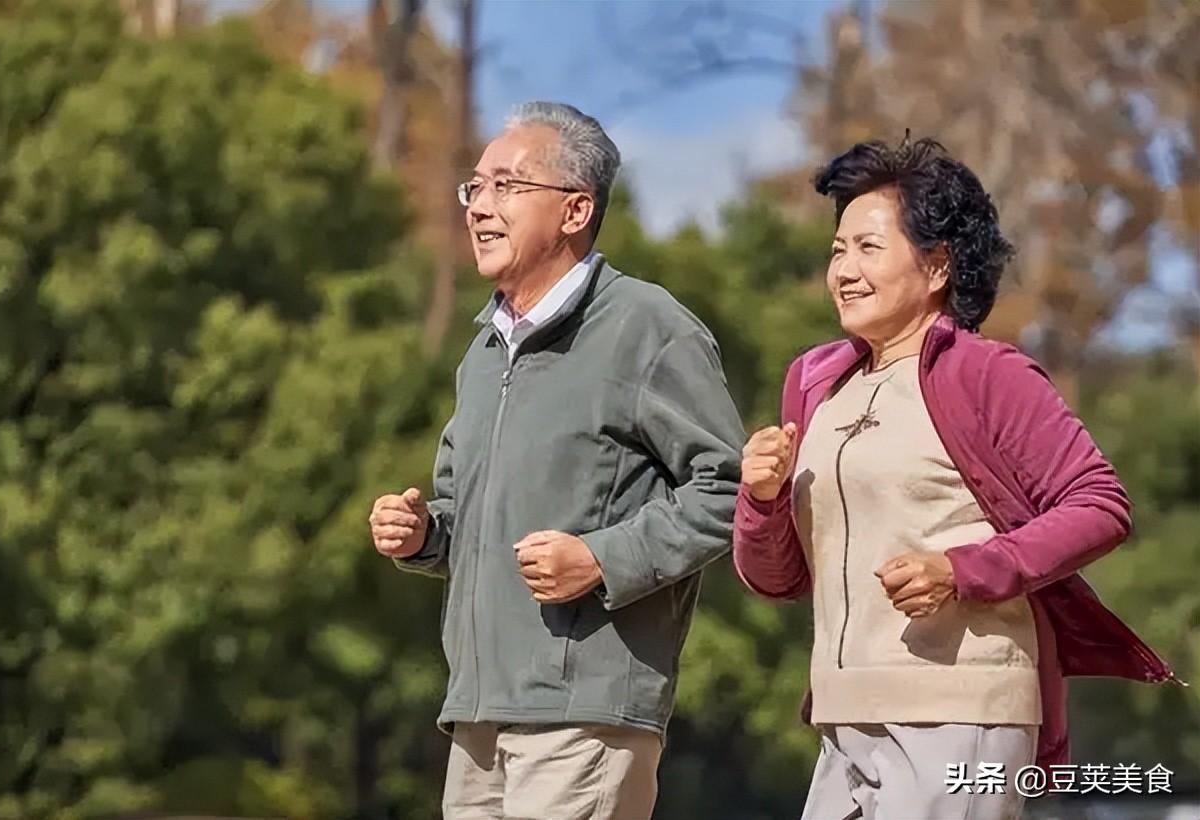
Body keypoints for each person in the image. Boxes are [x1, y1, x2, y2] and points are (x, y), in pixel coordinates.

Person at [732, 137, 1177, 820]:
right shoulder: (815, 383)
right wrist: (761, 501)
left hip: (961, 711)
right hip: (840, 718)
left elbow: (1100, 504)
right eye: (836, 250)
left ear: (937, 264)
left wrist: (962, 569)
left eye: (868, 249)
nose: (844, 270)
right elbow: (779, 578)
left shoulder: (987, 374)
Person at [368, 101, 745, 820]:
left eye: (506, 185)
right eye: (473, 187)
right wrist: (424, 535)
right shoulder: (481, 352)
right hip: (477, 714)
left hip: (587, 715)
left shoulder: (646, 325)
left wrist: (602, 559)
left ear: (576, 211)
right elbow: (464, 516)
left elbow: (728, 491)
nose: (479, 205)